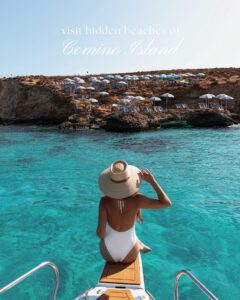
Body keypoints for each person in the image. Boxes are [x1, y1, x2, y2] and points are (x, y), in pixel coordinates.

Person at [97, 160, 171, 264]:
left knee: (108, 237)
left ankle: (139, 244)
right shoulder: (137, 200)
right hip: (129, 252)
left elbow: (100, 233)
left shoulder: (104, 201)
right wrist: (152, 182)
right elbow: (166, 203)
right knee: (132, 235)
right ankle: (140, 245)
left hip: (109, 253)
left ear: (110, 183)